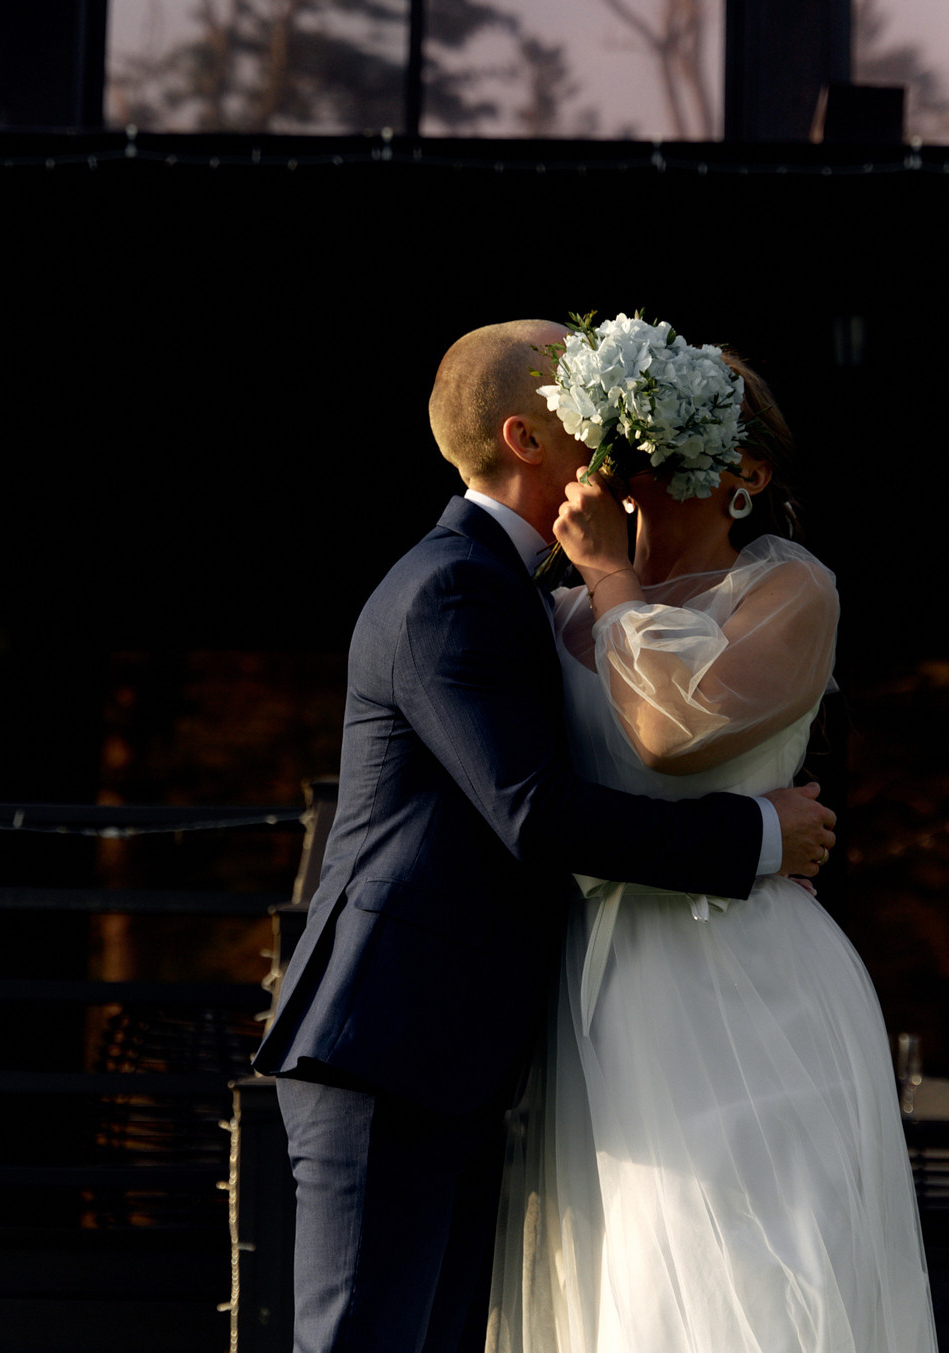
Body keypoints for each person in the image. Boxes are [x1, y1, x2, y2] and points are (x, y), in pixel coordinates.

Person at [253, 320, 838, 1353]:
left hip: (477, 1044)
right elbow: (533, 813)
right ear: (529, 440)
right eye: (589, 407)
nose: (616, 436)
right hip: (389, 1035)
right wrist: (750, 835)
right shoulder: (452, 587)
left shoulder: (528, 591)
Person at [485, 353, 938, 1352]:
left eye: (682, 433)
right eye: (634, 431)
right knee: (633, 1274)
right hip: (602, 984)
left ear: (752, 475)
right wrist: (592, 580)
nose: (644, 454)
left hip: (746, 972)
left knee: (756, 1267)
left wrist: (608, 573)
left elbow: (668, 731)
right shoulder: (549, 613)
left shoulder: (785, 588)